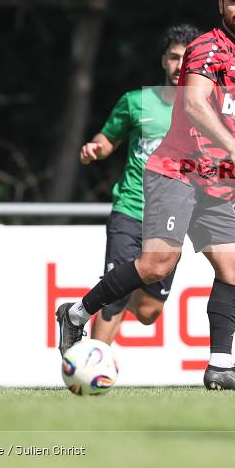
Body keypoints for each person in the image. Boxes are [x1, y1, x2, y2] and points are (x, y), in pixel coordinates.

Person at [57, 0, 235, 391]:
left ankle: (220, 366)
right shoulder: (207, 47)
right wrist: (233, 149)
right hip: (175, 173)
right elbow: (194, 104)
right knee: (156, 264)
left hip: (214, 182)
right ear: (221, 6)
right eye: (233, 0)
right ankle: (76, 313)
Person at [81, 24, 201, 344]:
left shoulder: (203, 111)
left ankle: (119, 284)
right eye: (174, 58)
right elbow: (108, 139)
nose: (180, 66)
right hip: (130, 208)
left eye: (187, 59)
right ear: (164, 60)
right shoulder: (136, 102)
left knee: (149, 311)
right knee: (115, 295)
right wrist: (96, 149)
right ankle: (90, 367)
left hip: (170, 217)